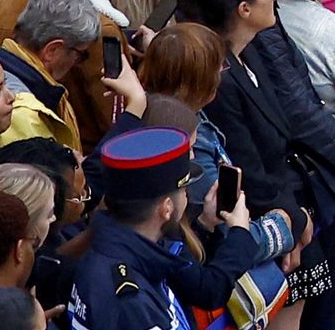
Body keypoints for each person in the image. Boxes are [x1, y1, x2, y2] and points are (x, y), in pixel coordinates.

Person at [71, 122, 290, 330]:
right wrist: (240, 233)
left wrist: (205, 224)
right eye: (184, 192)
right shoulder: (130, 298)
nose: (187, 198)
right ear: (166, 208)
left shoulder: (125, 248)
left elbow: (199, 286)